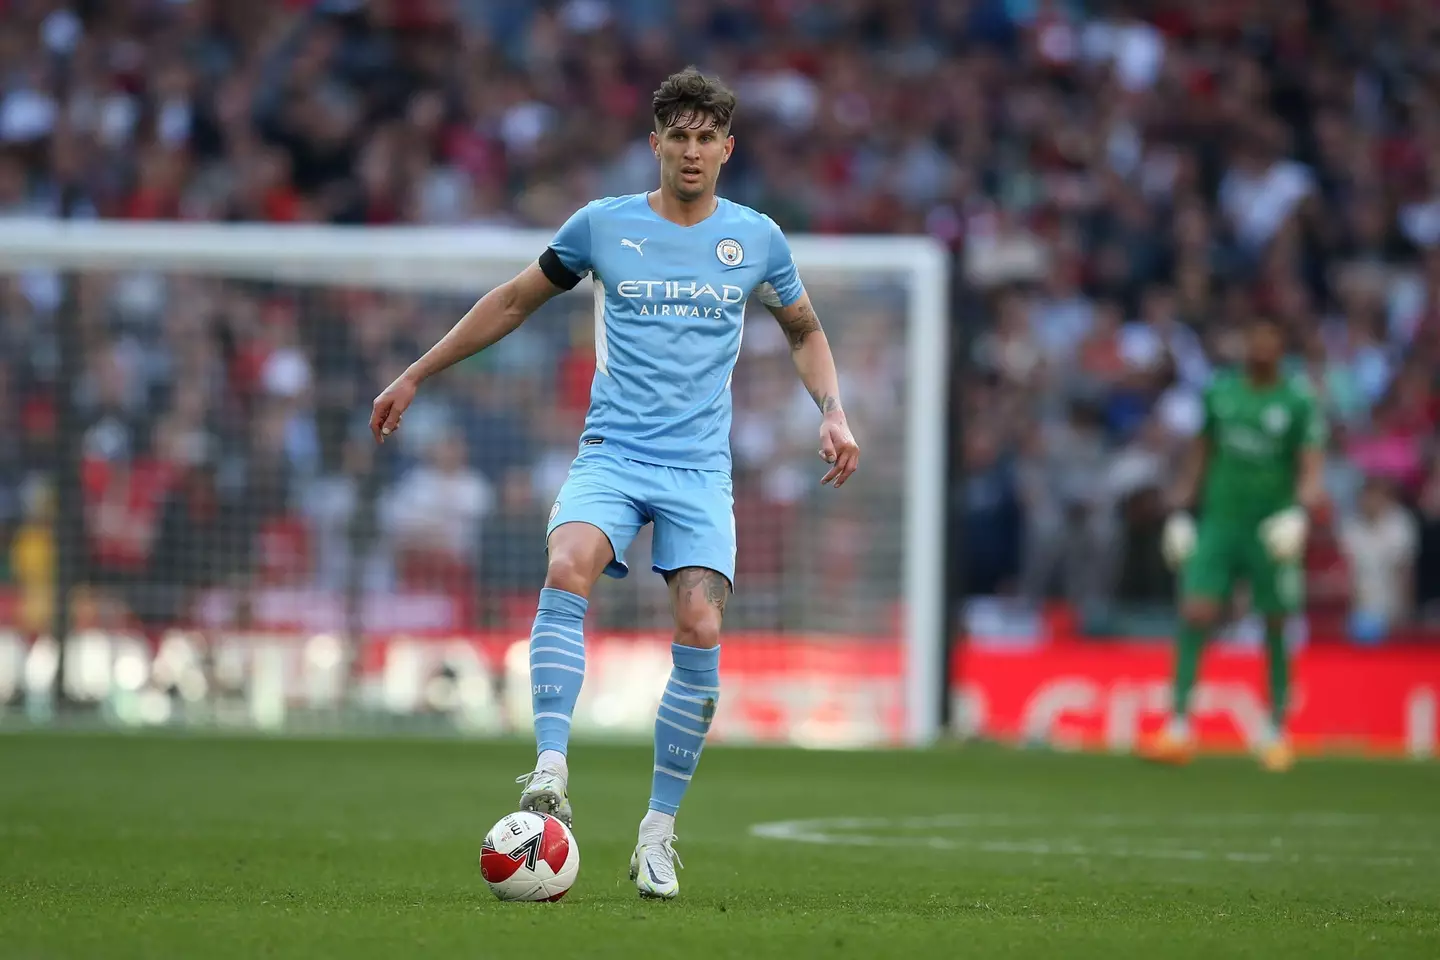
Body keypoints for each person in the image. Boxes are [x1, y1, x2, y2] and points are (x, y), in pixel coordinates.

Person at [369, 68, 858, 899]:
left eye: (709, 137)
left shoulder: (758, 240)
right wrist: (417, 372)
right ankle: (550, 769)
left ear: (727, 149)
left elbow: (804, 330)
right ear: (656, 144)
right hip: (613, 454)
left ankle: (658, 835)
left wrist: (834, 411)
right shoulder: (604, 226)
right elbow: (517, 300)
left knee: (701, 624)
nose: (694, 151)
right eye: (680, 136)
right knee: (567, 567)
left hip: (700, 470)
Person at [1140, 315, 1325, 772]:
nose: (1259, 346)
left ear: (1281, 346)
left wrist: (1299, 512)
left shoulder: (1297, 399)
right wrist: (1182, 507)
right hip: (1220, 520)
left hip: (1269, 525)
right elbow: (1201, 455)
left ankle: (1275, 730)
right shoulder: (1220, 392)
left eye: (1268, 339)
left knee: (1276, 620)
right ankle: (1180, 725)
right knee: (1195, 610)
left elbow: (1310, 466)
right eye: (1254, 338)